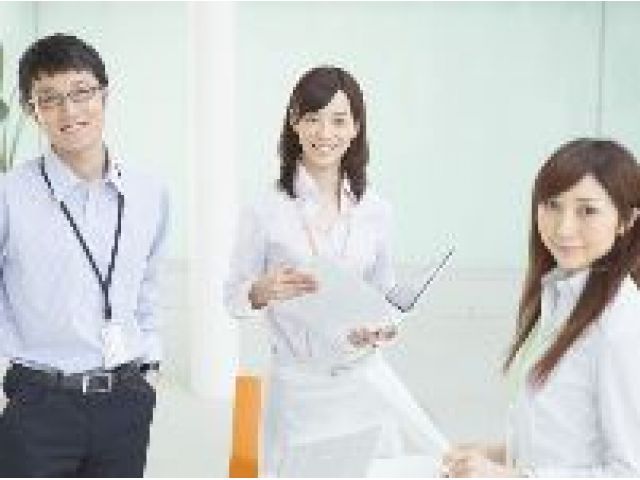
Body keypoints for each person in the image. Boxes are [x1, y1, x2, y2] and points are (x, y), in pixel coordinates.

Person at [224, 65, 445, 476]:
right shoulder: (264, 209)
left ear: (356, 128)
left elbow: (383, 292)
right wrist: (260, 290)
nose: (325, 133)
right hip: (298, 389)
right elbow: (232, 298)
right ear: (294, 123)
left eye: (339, 120)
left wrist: (383, 328)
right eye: (313, 118)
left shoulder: (377, 210)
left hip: (362, 384)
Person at [0, 33, 169, 476]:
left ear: (104, 95)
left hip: (125, 400)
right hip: (38, 403)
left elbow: (149, 286)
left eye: (81, 92)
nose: (69, 111)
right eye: (50, 99)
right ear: (32, 110)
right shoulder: (9, 196)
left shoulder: (149, 193)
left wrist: (149, 368)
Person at [443, 138, 640, 477]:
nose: (564, 227)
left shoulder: (619, 326)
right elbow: (564, 439)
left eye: (587, 210)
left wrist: (510, 477)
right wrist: (494, 455)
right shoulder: (559, 297)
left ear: (627, 220)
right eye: (552, 205)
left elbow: (628, 472)